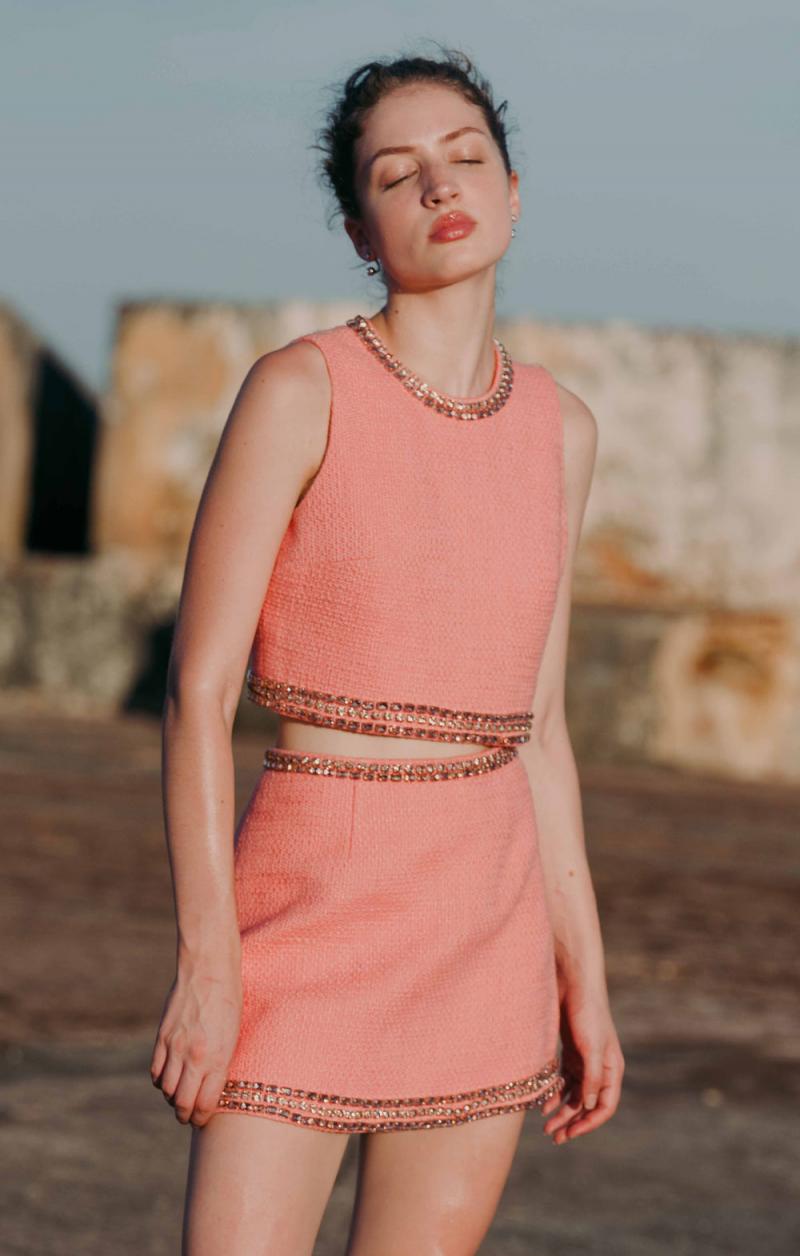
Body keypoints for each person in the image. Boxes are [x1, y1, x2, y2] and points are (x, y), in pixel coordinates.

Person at [151, 46, 624, 1256]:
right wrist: (209, 960)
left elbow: (538, 726)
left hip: (483, 926)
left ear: (512, 191)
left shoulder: (560, 432)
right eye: (395, 173)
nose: (438, 186)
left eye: (464, 158)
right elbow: (198, 691)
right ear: (361, 231)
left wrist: (581, 971)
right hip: (305, 908)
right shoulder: (299, 390)